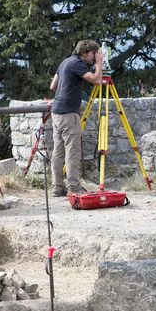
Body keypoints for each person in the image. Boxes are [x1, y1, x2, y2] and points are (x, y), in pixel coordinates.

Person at [49, 39, 105, 197]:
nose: (94, 58)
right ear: (86, 53)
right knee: (72, 151)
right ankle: (74, 187)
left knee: (58, 152)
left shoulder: (65, 62)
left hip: (57, 112)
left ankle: (58, 187)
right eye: (94, 55)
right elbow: (97, 81)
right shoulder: (78, 64)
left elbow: (53, 86)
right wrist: (99, 64)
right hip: (68, 113)